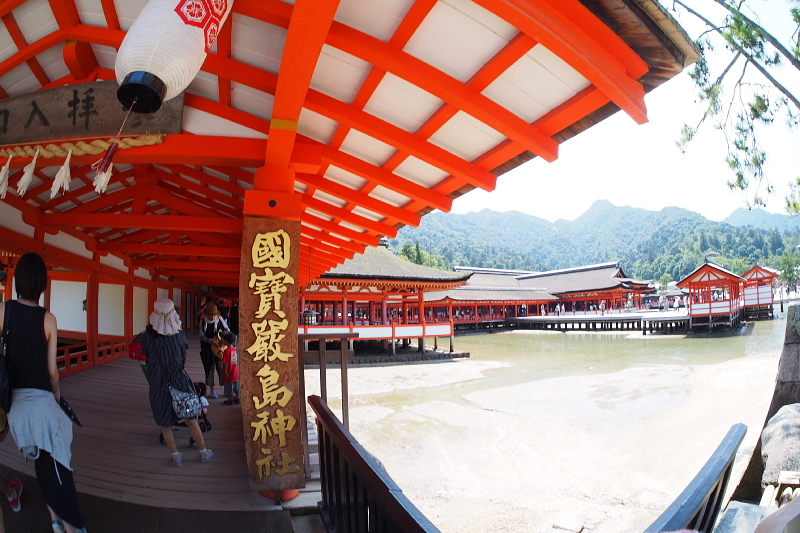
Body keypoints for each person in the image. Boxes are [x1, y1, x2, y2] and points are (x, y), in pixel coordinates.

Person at [0, 252, 87, 533]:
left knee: (43, 462)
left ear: (17, 281)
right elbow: (52, 372)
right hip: (41, 404)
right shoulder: (48, 319)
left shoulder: (4, 311)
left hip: (15, 408)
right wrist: (58, 395)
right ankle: (73, 528)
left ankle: (54, 520)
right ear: (42, 284)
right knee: (60, 466)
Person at [139, 298, 214, 466]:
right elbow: (182, 360)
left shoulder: (147, 337)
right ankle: (204, 452)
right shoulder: (180, 337)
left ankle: (176, 456)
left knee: (165, 424)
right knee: (191, 418)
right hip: (179, 382)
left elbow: (146, 356)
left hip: (158, 384)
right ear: (173, 314)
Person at [199, 302, 229, 399]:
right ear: (206, 314)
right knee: (209, 369)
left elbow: (227, 330)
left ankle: (225, 389)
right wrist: (210, 341)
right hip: (207, 348)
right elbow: (201, 335)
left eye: (214, 315)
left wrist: (222, 340)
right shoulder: (203, 321)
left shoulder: (220, 320)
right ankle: (212, 389)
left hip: (219, 348)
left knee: (221, 368)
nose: (212, 317)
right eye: (210, 315)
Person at [219, 333, 240, 405]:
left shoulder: (226, 351)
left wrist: (225, 372)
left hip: (229, 371)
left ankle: (230, 400)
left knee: (229, 386)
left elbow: (225, 363)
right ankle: (237, 398)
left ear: (226, 342)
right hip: (236, 371)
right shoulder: (236, 350)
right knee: (236, 386)